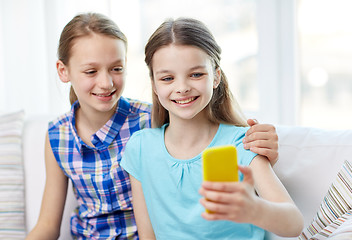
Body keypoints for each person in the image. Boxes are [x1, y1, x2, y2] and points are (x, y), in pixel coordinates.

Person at [26, 13, 280, 240]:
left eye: (116, 68)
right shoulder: (58, 135)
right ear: (63, 70)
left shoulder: (149, 120)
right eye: (91, 71)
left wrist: (262, 148)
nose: (105, 82)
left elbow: (201, 127)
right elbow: (48, 226)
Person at [120, 17, 304, 240]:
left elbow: (294, 223)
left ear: (216, 76)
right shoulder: (140, 148)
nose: (182, 88)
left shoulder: (241, 143)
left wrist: (254, 209)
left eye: (196, 74)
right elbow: (148, 235)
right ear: (154, 85)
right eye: (167, 78)